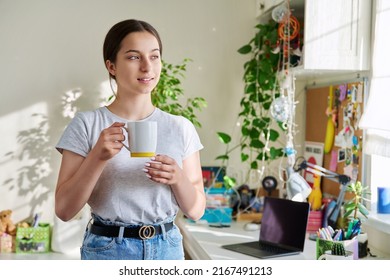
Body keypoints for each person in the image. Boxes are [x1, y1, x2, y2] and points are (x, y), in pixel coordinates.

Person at [55, 19, 206, 260]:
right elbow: (64, 210)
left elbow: (197, 211)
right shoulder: (87, 124)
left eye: (154, 56)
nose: (148, 67)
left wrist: (178, 178)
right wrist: (97, 157)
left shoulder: (180, 127)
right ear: (111, 66)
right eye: (134, 57)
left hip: (167, 249)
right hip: (107, 251)